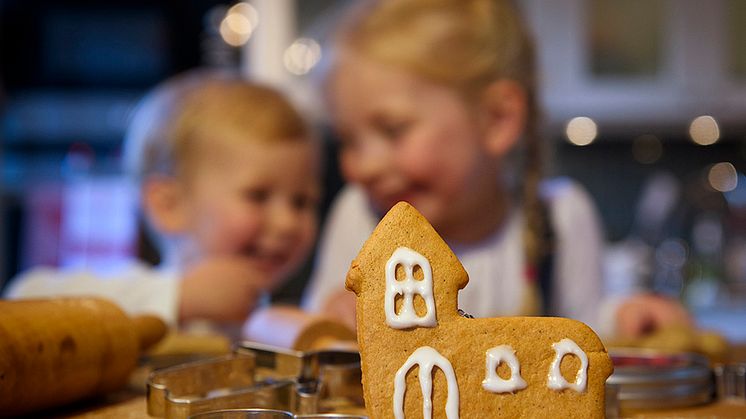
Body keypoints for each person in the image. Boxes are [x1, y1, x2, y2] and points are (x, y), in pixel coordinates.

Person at [301, 0, 691, 338]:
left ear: (497, 118)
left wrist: (626, 319)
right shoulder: (359, 216)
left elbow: (583, 330)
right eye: (348, 141)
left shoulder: (560, 219)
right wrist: (334, 320)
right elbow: (313, 337)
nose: (362, 167)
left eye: (394, 130)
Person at [5, 70, 321, 331]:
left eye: (302, 201)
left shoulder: (274, 318)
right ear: (169, 206)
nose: (287, 222)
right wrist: (178, 297)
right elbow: (23, 300)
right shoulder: (147, 294)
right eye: (258, 196)